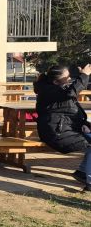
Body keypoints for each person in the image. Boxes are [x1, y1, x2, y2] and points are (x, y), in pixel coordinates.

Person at [34, 63, 91, 191]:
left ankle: (82, 172)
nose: (69, 79)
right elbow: (72, 92)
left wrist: (83, 125)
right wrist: (84, 76)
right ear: (55, 82)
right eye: (66, 77)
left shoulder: (59, 89)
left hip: (65, 129)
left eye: (69, 76)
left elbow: (66, 112)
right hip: (56, 133)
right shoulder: (50, 91)